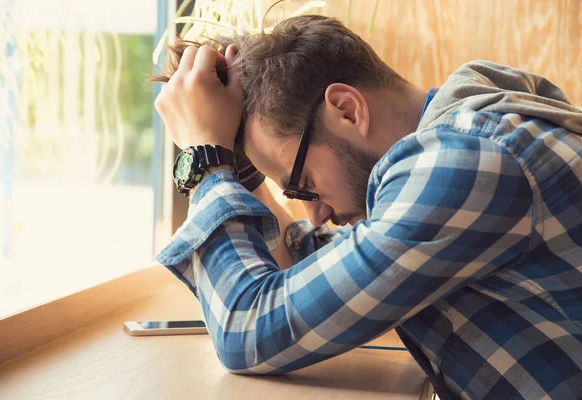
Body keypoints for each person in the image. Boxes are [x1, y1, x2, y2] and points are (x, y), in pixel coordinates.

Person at [151, 15, 582, 400]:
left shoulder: (463, 163)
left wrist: (204, 156)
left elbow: (246, 329)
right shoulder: (464, 137)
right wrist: (232, 158)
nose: (315, 215)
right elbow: (297, 259)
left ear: (346, 109)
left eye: (304, 187)